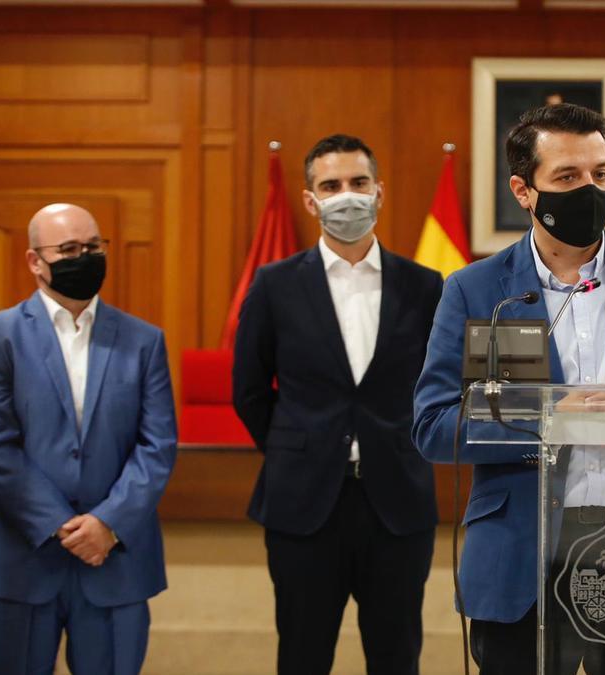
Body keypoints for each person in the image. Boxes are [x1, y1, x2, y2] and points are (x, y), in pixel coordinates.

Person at [412, 103, 605, 674]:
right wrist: (546, 422)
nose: (590, 189)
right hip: (523, 553)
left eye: (601, 174)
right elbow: (434, 425)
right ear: (524, 190)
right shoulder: (475, 289)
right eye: (567, 177)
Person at [233, 134, 443, 674]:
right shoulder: (274, 285)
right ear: (310, 199)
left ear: (379, 193)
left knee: (397, 656)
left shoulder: (426, 286)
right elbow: (250, 390)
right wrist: (297, 448)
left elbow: (440, 386)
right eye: (330, 185)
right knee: (303, 654)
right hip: (303, 503)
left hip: (396, 503)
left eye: (357, 183)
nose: (345, 195)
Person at [0, 203, 177, 674]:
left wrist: (106, 524)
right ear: (35, 261)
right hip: (17, 556)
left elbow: (156, 446)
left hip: (113, 558)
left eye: (93, 247)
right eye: (69, 249)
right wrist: (61, 524)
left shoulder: (143, 340)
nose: (85, 257)